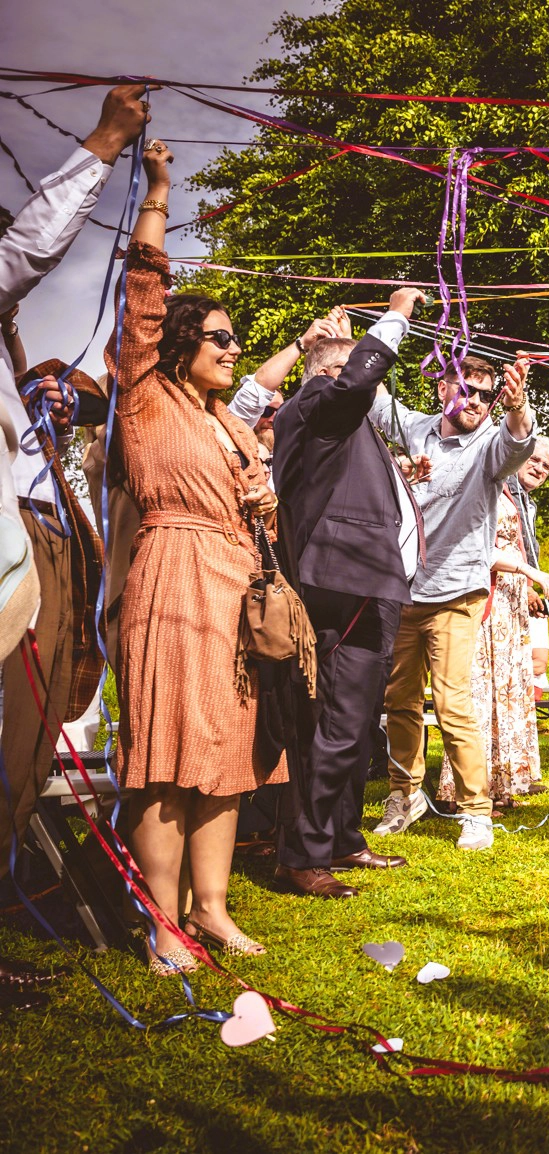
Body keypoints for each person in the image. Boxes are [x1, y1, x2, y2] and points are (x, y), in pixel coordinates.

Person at [107, 140, 287, 971]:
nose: (231, 345)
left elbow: (262, 515)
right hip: (172, 576)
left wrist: (264, 502)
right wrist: (158, 189)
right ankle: (163, 923)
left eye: (234, 336)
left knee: (225, 749)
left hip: (233, 590)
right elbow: (142, 294)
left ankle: (212, 910)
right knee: (167, 752)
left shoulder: (233, 424)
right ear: (178, 341)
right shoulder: (148, 393)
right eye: (217, 335)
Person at [0, 82, 150, 996]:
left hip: (36, 559)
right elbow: (25, 248)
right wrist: (103, 141)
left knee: (23, 744)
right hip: (19, 557)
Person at [270, 289, 425, 899]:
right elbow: (357, 383)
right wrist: (396, 317)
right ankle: (302, 855)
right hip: (344, 584)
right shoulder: (316, 401)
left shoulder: (334, 422)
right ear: (332, 375)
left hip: (368, 584)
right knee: (336, 723)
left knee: (356, 723)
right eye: (357, 370)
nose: (372, 386)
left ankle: (340, 837)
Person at [370, 351, 538, 852]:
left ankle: (476, 811)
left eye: (489, 396)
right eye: (469, 390)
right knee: (399, 701)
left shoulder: (489, 444)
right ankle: (405, 794)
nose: (479, 402)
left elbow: (517, 441)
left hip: (458, 592)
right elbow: (371, 394)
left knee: (451, 702)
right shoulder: (416, 428)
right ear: (444, 388)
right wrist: (357, 343)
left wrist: (518, 406)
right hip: (403, 590)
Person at [439, 472, 549, 810]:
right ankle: (462, 790)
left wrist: (526, 586)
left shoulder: (503, 486)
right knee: (478, 693)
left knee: (505, 693)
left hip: (509, 600)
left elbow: (513, 541)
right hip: (485, 598)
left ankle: (500, 784)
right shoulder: (472, 484)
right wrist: (528, 571)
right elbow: (475, 547)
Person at [511, 438, 549, 688]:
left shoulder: (530, 503)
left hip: (524, 590)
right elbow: (504, 545)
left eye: (546, 466)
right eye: (534, 460)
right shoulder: (503, 491)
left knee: (535, 663)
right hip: (500, 590)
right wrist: (525, 586)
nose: (540, 468)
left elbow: (527, 549)